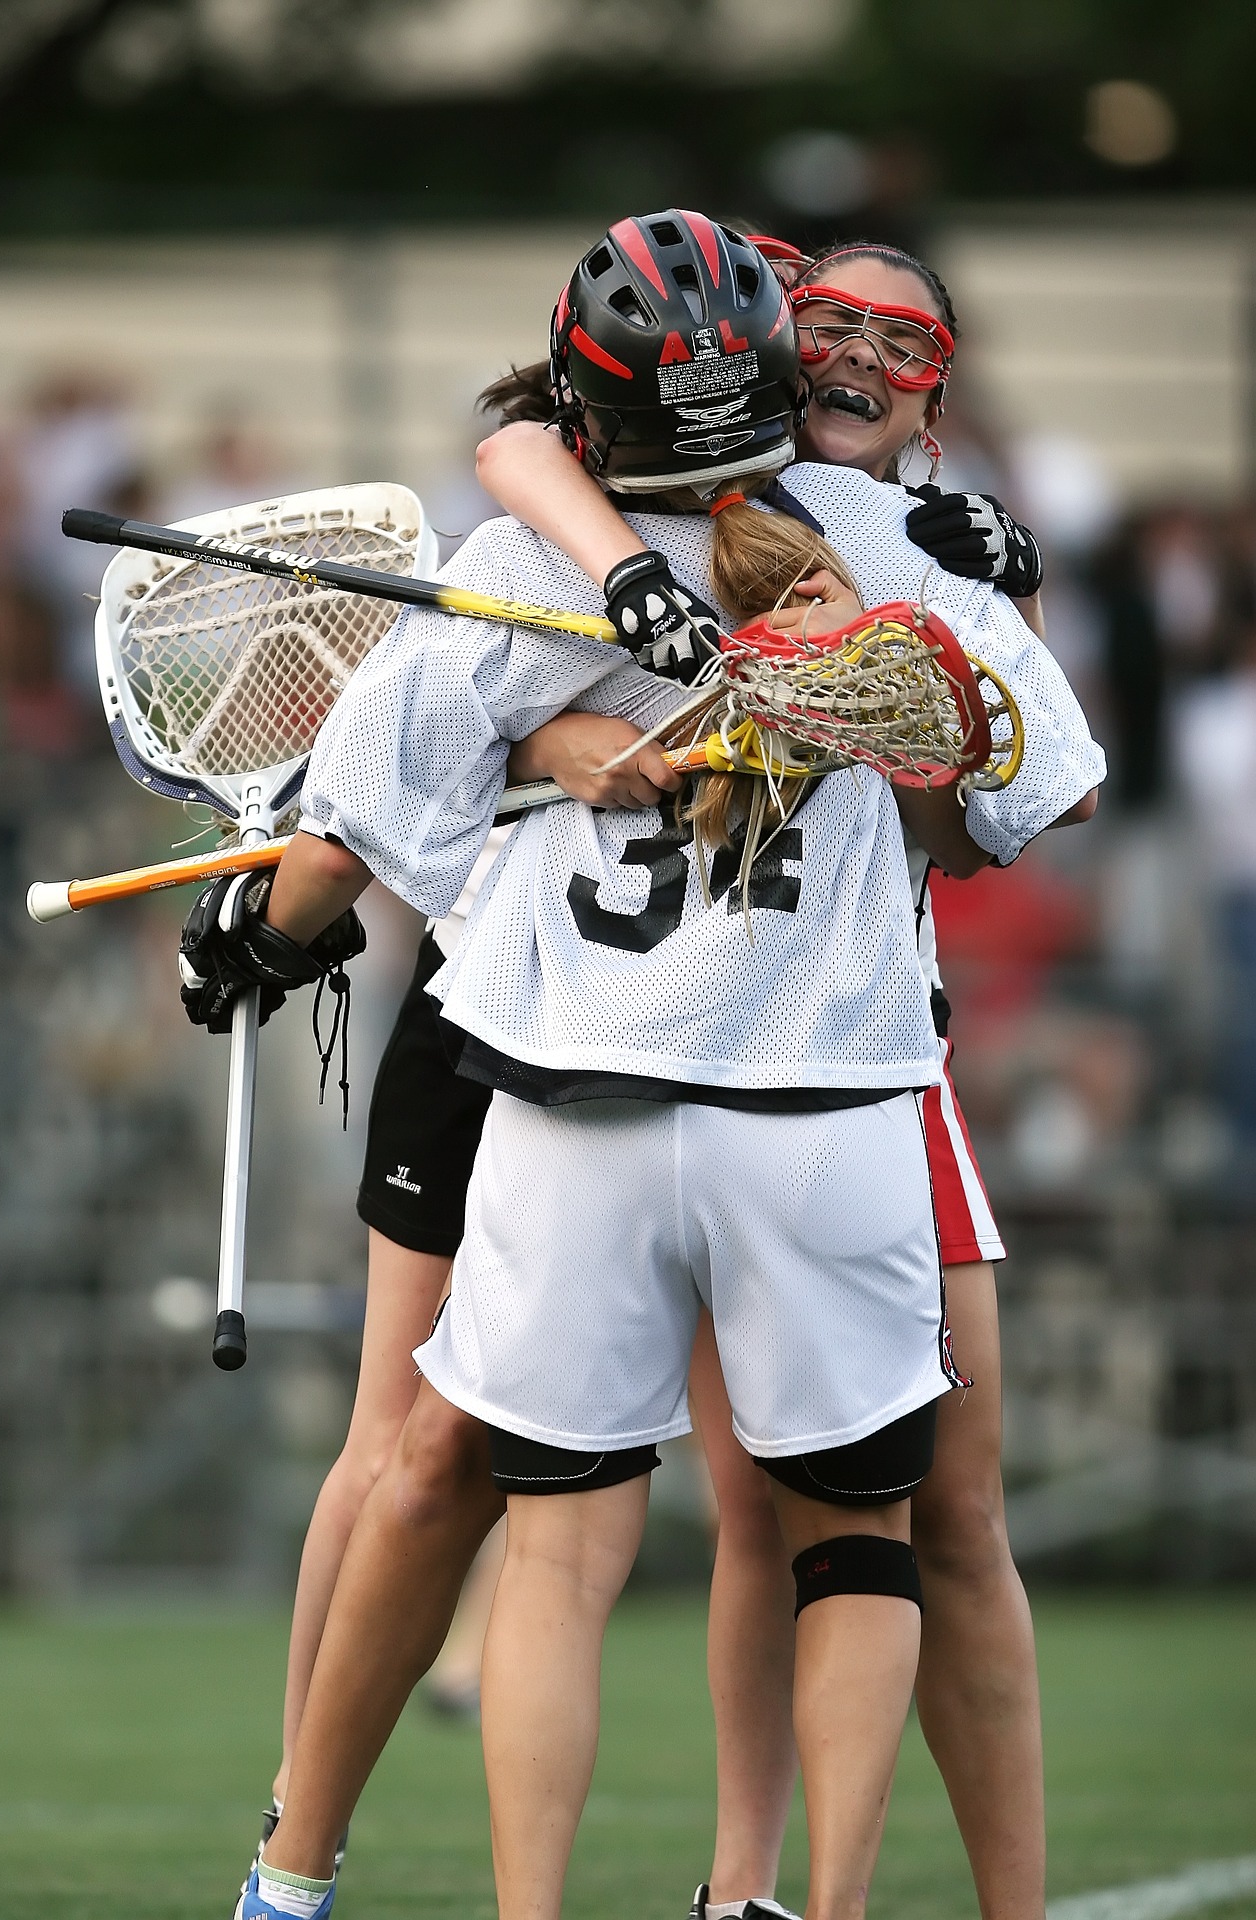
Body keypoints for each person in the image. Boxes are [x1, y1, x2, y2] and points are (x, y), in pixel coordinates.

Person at [179, 212, 1102, 1920]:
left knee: (553, 1548)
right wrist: (921, 641)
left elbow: (344, 844)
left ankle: (398, 1888)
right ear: (766, 355)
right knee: (853, 1541)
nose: (860, 367)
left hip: (575, 1096)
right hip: (820, 1108)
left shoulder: (512, 563)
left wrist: (259, 938)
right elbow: (1043, 791)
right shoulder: (891, 554)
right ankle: (808, 1901)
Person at [473, 236, 1068, 1920]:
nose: (858, 353)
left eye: (902, 334)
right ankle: (748, 1891)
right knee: (773, 1513)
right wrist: (571, 719)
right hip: (705, 1057)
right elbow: (513, 443)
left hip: (863, 1052)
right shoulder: (712, 479)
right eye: (828, 323)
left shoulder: (913, 541)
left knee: (941, 1517)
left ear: (940, 380)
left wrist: (991, 609)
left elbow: (1001, 812)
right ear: (765, 341)